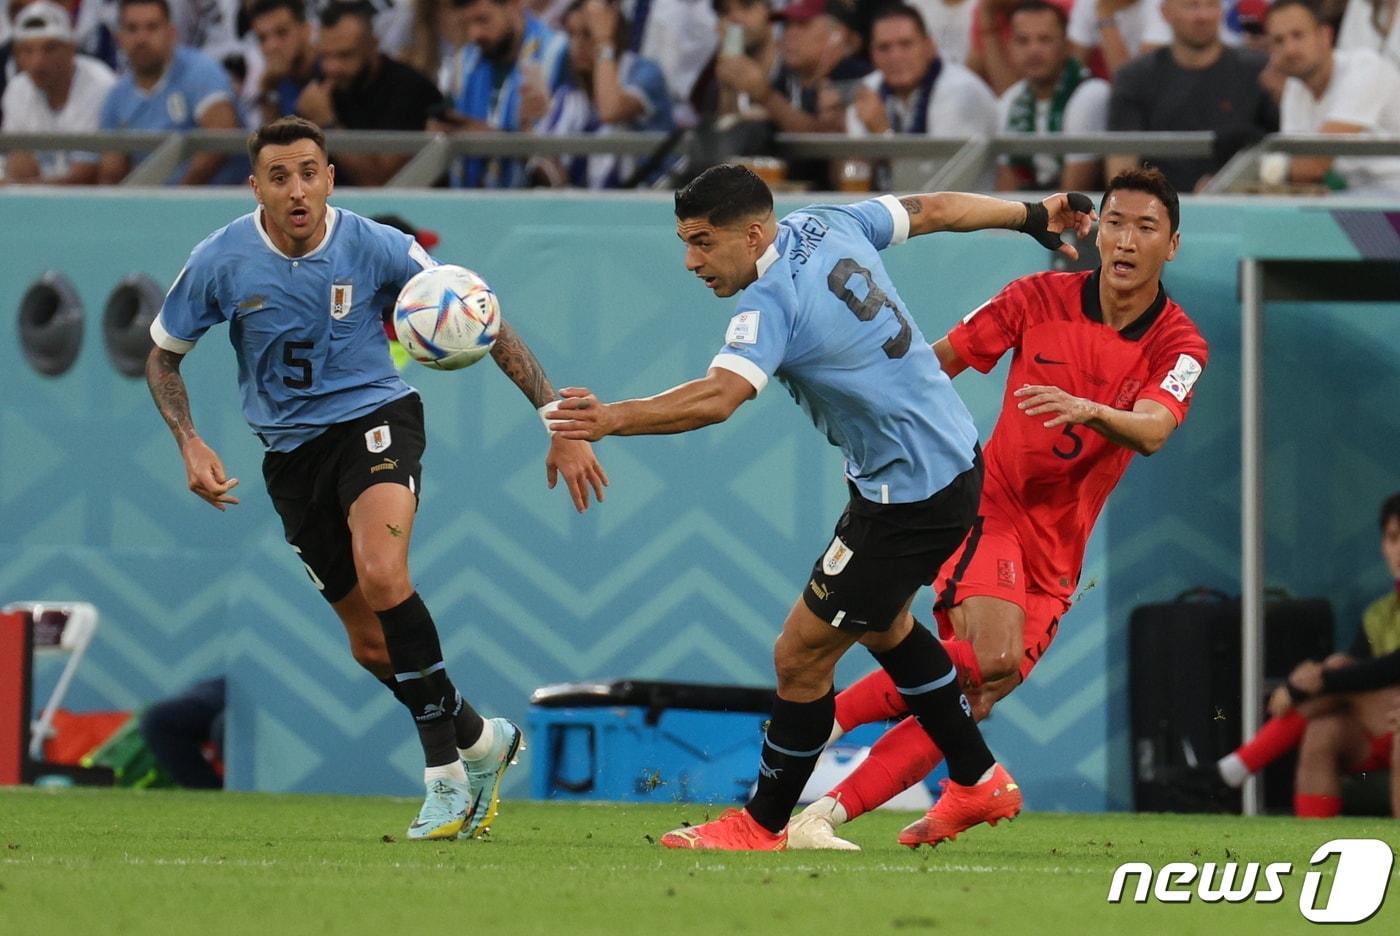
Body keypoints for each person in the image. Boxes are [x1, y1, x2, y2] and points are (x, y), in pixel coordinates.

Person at [548, 164, 1099, 849]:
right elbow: (930, 209)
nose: (690, 261)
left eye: (701, 242)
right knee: (885, 627)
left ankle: (762, 824)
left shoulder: (771, 300)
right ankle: (976, 775)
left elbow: (720, 396)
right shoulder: (826, 222)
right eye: (684, 242)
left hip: (910, 496)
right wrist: (1028, 214)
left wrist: (610, 419)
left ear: (752, 234)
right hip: (945, 462)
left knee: (800, 658)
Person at [143, 115, 609, 840]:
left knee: (384, 571)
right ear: (255, 187)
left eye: (309, 172)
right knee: (369, 644)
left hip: (375, 421)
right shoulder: (220, 259)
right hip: (290, 458)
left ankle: (444, 780)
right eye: (279, 176)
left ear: (330, 177)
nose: (297, 189)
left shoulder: (380, 246)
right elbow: (163, 356)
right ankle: (482, 741)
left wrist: (557, 416)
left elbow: (482, 318)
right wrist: (189, 440)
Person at [784, 167, 1209, 850]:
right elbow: (934, 363)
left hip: (1060, 546)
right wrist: (870, 421)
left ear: (1174, 245)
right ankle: (827, 718)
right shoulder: (1035, 296)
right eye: (1115, 223)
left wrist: (1090, 411)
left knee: (978, 691)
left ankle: (823, 818)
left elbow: (1155, 429)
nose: (1126, 241)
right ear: (1097, 231)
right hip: (986, 506)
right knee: (992, 652)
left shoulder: (1180, 344)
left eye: (1145, 227)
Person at [1202, 492, 1400, 817]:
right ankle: (1316, 851)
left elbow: (1389, 669)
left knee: (1336, 672)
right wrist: (1327, 677)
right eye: (1393, 538)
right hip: (1382, 724)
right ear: (1383, 545)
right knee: (1323, 731)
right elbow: (1360, 675)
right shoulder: (1380, 612)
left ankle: (1232, 771)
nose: (1399, 549)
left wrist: (1301, 687)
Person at [1107, 0, 1278, 193]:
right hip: (1161, 212)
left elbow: (1282, 154)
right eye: (1191, 6)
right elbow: (1122, 169)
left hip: (1245, 205)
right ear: (1165, 13)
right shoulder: (1134, 78)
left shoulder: (1260, 73)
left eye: (1211, 5)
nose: (1203, 16)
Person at [846, 3, 998, 191]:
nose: (895, 56)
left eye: (906, 44)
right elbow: (853, 173)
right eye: (884, 47)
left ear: (929, 46)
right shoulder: (869, 90)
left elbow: (935, 190)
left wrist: (882, 134)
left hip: (970, 216)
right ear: (872, 54)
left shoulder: (961, 94)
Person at [296, 1, 444, 186]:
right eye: (325, 56)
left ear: (372, 45)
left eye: (345, 55)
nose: (333, 67)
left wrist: (327, 124)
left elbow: (381, 181)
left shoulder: (409, 89)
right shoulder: (322, 85)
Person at [97, 0, 244, 185]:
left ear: (171, 33)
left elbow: (221, 135)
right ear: (119, 38)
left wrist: (176, 196)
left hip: (214, 200)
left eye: (152, 27)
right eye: (132, 29)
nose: (141, 38)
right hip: (149, 204)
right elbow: (111, 172)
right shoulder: (117, 96)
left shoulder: (199, 70)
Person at [1266, 0, 1400, 194]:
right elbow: (1299, 174)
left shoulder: (1365, 67)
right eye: (1279, 40)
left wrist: (1258, 164)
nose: (1290, 49)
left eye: (1298, 35)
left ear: (1325, 35)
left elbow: (1312, 165)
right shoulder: (1295, 86)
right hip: (1349, 196)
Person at [535, 0, 672, 188]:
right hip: (585, 206)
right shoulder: (570, 89)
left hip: (646, 201)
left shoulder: (644, 72)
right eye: (572, 35)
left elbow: (610, 110)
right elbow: (548, 168)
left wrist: (605, 42)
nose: (577, 45)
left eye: (588, 34)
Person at [445, 0, 570, 187]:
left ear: (514, 4)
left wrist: (494, 139)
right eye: (466, 24)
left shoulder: (558, 54)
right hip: (469, 204)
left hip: (538, 205)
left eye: (483, 19)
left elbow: (566, 164)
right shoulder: (464, 62)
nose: (474, 35)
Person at [995, 0, 1110, 192]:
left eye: (1045, 39)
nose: (1033, 50)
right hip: (1031, 212)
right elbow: (1006, 187)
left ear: (1066, 44)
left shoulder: (1091, 94)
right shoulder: (1009, 100)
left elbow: (1073, 193)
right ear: (1010, 47)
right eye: (1023, 41)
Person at [1, 0, 116, 184]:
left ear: (71, 48)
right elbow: (17, 164)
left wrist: (25, 188)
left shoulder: (100, 85)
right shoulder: (17, 89)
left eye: (49, 49)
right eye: (27, 51)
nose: (37, 62)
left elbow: (86, 175)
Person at [139, 677, 226, 790]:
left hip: (252, 696)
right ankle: (212, 799)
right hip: (236, 686)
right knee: (157, 720)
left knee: (225, 728)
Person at [249, 0, 317, 126]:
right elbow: (271, 142)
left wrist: (327, 120)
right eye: (262, 38)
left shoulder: (333, 70)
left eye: (282, 33)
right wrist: (267, 90)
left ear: (306, 30)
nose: (271, 46)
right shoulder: (275, 81)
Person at [1067, 0, 1169, 78]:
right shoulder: (1088, 3)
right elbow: (1073, 71)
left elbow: (1134, 84)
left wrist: (1105, 14)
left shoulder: (1164, 6)